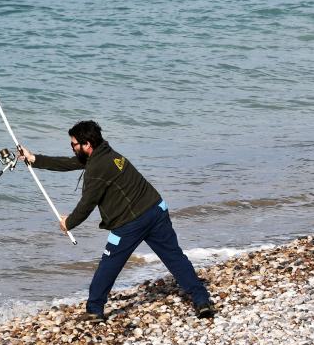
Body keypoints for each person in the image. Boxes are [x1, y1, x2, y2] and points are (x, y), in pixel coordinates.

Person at [18, 120, 214, 323]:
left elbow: (87, 204)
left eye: (74, 144)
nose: (72, 148)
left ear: (87, 144)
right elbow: (71, 163)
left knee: (108, 265)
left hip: (130, 223)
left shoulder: (96, 170)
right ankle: (202, 300)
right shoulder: (105, 153)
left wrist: (69, 223)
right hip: (156, 209)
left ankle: (94, 309)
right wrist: (34, 159)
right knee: (175, 258)